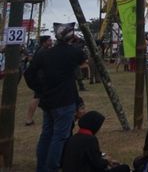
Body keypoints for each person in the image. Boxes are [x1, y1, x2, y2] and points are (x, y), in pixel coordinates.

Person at [24, 23, 87, 172]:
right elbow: (83, 59)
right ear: (71, 36)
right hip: (65, 101)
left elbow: (29, 74)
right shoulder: (72, 52)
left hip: (48, 101)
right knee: (59, 137)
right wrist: (78, 42)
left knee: (46, 135)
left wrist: (39, 89)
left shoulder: (44, 54)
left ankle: (42, 167)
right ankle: (51, 167)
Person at [61, 111, 129, 172]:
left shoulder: (74, 138)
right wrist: (107, 162)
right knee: (124, 168)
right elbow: (97, 163)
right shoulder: (90, 140)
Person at [24, 35, 53, 126]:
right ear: (44, 42)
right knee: (37, 98)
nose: (51, 42)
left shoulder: (41, 50)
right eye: (49, 40)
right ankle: (29, 119)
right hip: (39, 79)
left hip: (38, 77)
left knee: (41, 97)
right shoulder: (42, 52)